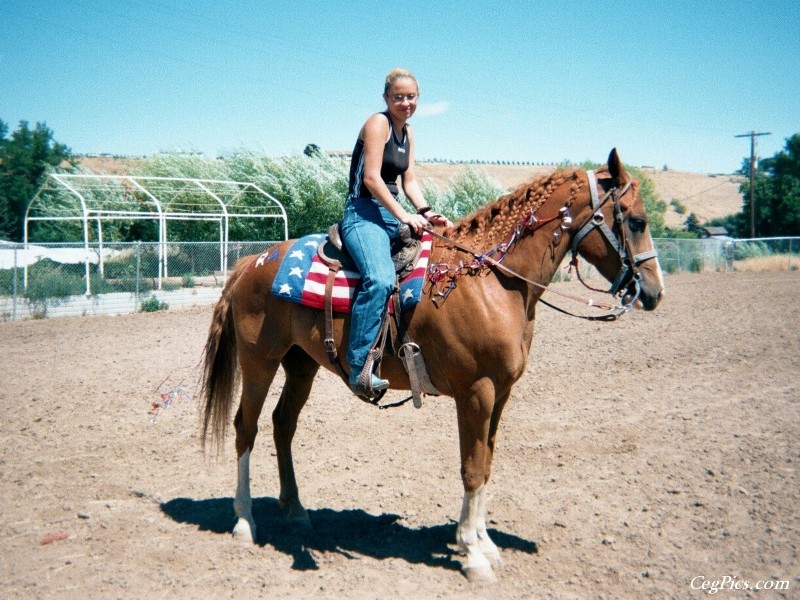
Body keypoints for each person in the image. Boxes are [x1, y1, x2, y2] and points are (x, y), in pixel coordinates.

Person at [341, 67, 451, 397]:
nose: (405, 102)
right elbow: (372, 179)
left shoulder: (408, 132)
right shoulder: (378, 124)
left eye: (411, 97)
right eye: (398, 97)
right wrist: (405, 215)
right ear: (386, 98)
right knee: (380, 279)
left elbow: (410, 181)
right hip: (362, 214)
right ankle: (359, 367)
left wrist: (427, 213)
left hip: (391, 215)